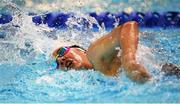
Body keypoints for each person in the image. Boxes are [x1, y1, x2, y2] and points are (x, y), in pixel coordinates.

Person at [52, 21, 152, 83]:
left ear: (80, 50)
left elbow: (129, 26)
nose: (60, 59)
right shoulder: (96, 77)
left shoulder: (93, 54)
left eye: (62, 51)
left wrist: (129, 60)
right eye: (57, 62)